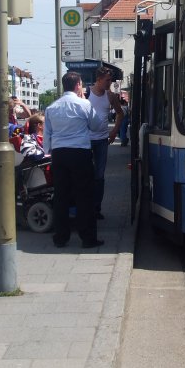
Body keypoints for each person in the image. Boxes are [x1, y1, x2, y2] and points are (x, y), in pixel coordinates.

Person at [44, 71, 106, 249]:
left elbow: (47, 134)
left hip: (59, 154)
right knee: (84, 196)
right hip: (79, 153)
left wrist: (48, 152)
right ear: (78, 85)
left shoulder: (52, 108)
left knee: (61, 196)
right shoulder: (84, 104)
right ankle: (87, 238)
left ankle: (61, 237)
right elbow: (96, 125)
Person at [87, 66, 124, 219]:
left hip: (102, 140)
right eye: (107, 80)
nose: (110, 83)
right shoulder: (86, 94)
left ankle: (96, 208)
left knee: (99, 175)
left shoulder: (110, 96)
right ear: (98, 80)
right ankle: (86, 206)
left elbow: (120, 113)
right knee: (87, 174)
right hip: (86, 140)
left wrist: (115, 131)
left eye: (110, 80)